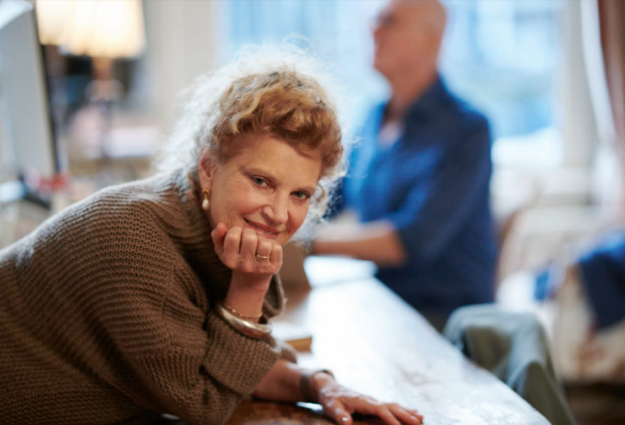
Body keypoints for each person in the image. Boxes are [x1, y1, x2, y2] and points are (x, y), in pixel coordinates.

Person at [0, 47, 423, 425]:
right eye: (260, 180)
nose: (279, 215)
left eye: (299, 194)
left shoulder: (214, 229)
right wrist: (250, 287)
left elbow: (227, 367)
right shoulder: (133, 240)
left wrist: (320, 385)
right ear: (208, 168)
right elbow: (205, 403)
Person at [312, 0, 497, 329]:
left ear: (431, 39)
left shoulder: (468, 129)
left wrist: (308, 246)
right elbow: (330, 201)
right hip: (380, 300)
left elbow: (413, 240)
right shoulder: (372, 117)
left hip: (445, 317)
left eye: (388, 21)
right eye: (374, 21)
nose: (373, 30)